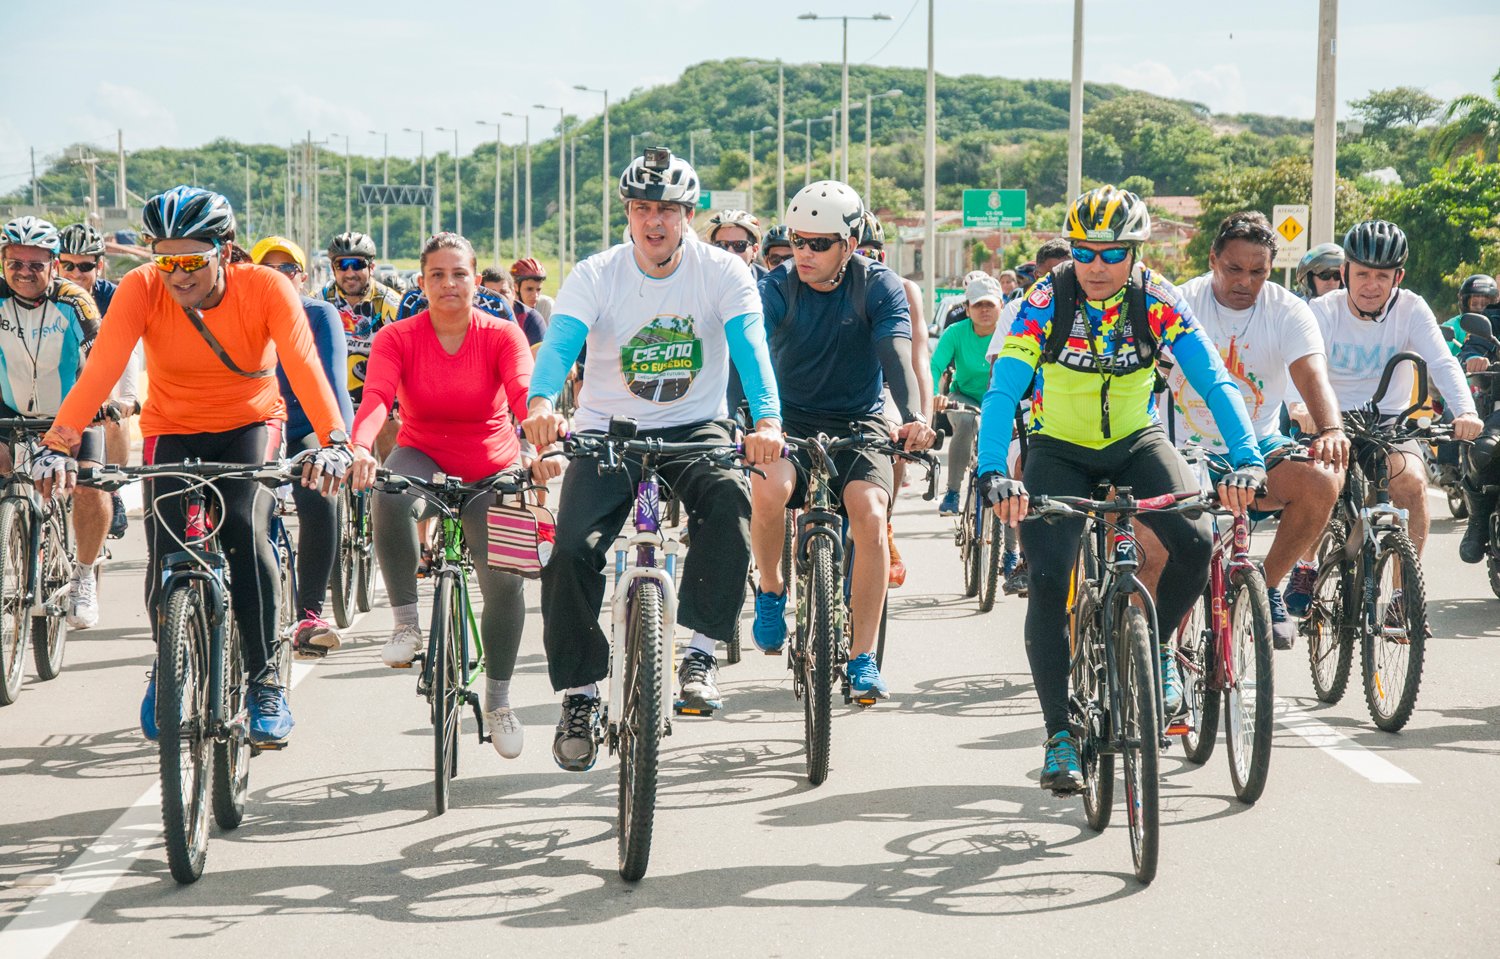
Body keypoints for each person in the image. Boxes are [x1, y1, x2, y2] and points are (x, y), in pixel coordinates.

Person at [32, 187, 358, 746]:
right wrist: (60, 442)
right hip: (171, 427)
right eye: (165, 261)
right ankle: (170, 660)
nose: (177, 276)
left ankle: (263, 683)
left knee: (242, 526)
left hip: (251, 423)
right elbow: (102, 368)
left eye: (191, 262)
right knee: (165, 548)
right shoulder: (141, 289)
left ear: (225, 252)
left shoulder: (266, 288)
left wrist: (334, 440)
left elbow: (304, 368)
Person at [977, 185, 1265, 794]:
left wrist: (1247, 457)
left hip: (1136, 442)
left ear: (1135, 252)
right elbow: (1002, 391)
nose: (1097, 266)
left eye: (1112, 253)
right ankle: (1059, 735)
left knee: (1193, 539)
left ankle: (1155, 649)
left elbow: (1214, 380)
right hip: (1056, 449)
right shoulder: (1042, 301)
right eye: (1084, 252)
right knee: (1050, 581)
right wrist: (991, 472)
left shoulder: (1155, 300)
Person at [522, 148, 782, 772]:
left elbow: (751, 348)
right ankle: (581, 696)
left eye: (667, 209)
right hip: (609, 432)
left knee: (730, 500)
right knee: (568, 554)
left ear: (689, 215)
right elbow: (561, 345)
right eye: (642, 209)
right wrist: (539, 400)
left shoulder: (723, 271)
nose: (654, 222)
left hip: (696, 428)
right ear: (628, 214)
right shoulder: (597, 273)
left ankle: (700, 650)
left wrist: (767, 420)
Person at [345, 233, 540, 759]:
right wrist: (360, 447)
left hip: (490, 463)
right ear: (422, 282)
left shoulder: (501, 334)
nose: (449, 284)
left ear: (476, 280)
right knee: (387, 491)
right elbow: (377, 398)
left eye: (459, 274)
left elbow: (523, 394)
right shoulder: (397, 337)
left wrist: (540, 433)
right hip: (423, 453)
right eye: (437, 275)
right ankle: (407, 625)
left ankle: (499, 700)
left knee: (503, 582)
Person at [750, 180, 935, 701]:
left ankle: (863, 655)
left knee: (871, 517)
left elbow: (896, 354)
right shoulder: (775, 287)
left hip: (861, 419)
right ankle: (769, 588)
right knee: (767, 490)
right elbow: (750, 357)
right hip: (788, 420)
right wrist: (746, 421)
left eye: (819, 243)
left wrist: (916, 415)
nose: (803, 253)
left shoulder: (879, 286)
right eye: (796, 240)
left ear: (849, 245)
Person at [1151, 212, 1349, 648]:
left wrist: (1330, 428)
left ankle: (1267, 586)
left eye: (1257, 272)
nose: (1245, 281)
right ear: (1212, 260)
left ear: (1270, 269)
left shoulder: (1288, 310)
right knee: (1153, 549)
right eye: (1233, 269)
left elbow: (1312, 374)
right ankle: (1155, 644)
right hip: (1183, 450)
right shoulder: (1178, 303)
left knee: (1322, 480)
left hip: (1257, 447)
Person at [1306, 219, 1482, 560]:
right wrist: (1301, 408)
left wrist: (1466, 411)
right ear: (1345, 273)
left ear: (1397, 278)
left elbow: (1443, 362)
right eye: (1362, 274)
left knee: (1413, 484)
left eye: (1382, 276)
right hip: (1328, 419)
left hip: (1389, 420)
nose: (1372, 286)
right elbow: (1298, 366)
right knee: (1319, 487)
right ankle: (1305, 565)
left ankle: (1403, 600)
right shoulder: (1323, 310)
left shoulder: (1412, 308)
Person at [0, 216, 110, 629]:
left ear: (54, 265)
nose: (25, 272)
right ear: (3, 260)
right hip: (9, 409)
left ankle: (83, 576)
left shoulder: (75, 302)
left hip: (72, 410)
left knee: (89, 483)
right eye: (15, 263)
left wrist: (105, 401)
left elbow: (102, 357)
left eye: (36, 264)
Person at [251, 235, 355, 658]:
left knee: (320, 493)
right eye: (268, 270)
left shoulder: (320, 313)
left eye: (288, 270)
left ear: (303, 277)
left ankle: (310, 612)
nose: (279, 278)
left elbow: (333, 385)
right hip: (256, 425)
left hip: (304, 426)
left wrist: (340, 444)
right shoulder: (239, 310)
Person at [986, 239, 1073, 593]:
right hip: (1027, 413)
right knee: (1024, 467)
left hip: (1078, 419)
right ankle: (1026, 554)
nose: (1057, 281)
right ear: (1035, 275)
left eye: (1066, 272)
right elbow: (999, 374)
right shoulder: (1018, 310)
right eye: (1048, 274)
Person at [856, 210, 933, 587]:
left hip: (885, 386)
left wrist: (922, 418)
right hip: (835, 389)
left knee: (894, 437)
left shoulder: (902, 289)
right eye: (859, 252)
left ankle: (884, 522)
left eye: (875, 254)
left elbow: (919, 358)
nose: (867, 262)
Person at [58, 223, 139, 539]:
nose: (76, 273)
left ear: (100, 265)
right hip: (61, 373)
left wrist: (128, 399)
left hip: (104, 370)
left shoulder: (114, 298)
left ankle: (113, 485)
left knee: (114, 414)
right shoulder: (47, 295)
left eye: (85, 266)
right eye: (68, 265)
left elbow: (129, 349)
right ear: (57, 264)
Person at [318, 232, 403, 456]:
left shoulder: (390, 302)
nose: (349, 272)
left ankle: (383, 485)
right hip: (335, 390)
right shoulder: (321, 300)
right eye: (341, 265)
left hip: (380, 392)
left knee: (389, 428)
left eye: (357, 264)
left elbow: (409, 351)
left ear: (371, 267)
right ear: (333, 268)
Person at [932, 274, 1003, 516]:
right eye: (978, 305)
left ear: (1001, 306)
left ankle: (1012, 551)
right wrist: (934, 394)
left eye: (990, 304)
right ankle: (953, 492)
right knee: (967, 422)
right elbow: (934, 367)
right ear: (967, 309)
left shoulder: (1012, 332)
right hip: (965, 397)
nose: (984, 310)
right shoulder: (955, 332)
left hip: (1001, 399)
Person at [480, 267, 546, 345]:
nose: (499, 299)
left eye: (503, 292)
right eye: (492, 294)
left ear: (513, 293)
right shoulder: (472, 318)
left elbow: (537, 355)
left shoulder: (530, 318)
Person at [1443, 274, 1498, 356]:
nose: (1480, 308)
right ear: (1464, 303)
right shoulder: (1454, 326)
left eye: (1486, 304)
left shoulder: (1496, 327)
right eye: (1474, 303)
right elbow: (1438, 352)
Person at [705, 209, 766, 279]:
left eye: (739, 245)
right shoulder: (701, 281)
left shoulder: (769, 286)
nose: (730, 252)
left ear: (754, 251)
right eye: (721, 245)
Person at [509, 257, 554, 324]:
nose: (535, 295)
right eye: (529, 289)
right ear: (515, 287)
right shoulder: (506, 307)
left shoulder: (546, 305)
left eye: (538, 289)